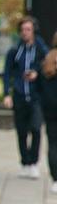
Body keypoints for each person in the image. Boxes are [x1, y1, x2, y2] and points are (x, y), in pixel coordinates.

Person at [2, 16, 46, 178]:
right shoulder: (15, 50)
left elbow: (47, 68)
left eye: (28, 29)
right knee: (21, 131)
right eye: (23, 30)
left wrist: (37, 74)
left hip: (36, 97)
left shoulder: (41, 49)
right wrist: (7, 93)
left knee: (35, 128)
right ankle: (25, 161)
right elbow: (7, 73)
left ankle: (34, 162)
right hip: (20, 96)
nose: (25, 33)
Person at [39, 30, 57, 193]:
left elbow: (40, 86)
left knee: (52, 144)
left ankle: (55, 178)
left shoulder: (48, 60)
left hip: (50, 110)